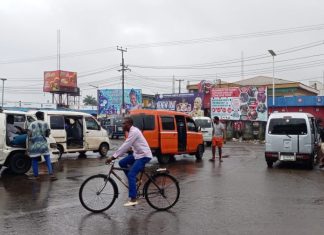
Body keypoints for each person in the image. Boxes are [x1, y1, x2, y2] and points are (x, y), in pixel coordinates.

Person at [105, 116, 152, 206]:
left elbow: (125, 146)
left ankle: (133, 199)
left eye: (124, 123)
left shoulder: (134, 132)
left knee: (131, 174)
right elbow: (128, 146)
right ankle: (136, 181)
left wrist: (113, 157)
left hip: (144, 156)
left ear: (129, 124)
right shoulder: (131, 131)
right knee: (122, 162)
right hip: (137, 154)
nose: (122, 125)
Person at [27, 111, 57, 180]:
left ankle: (36, 176)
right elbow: (48, 133)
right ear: (41, 116)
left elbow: (29, 134)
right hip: (43, 144)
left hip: (35, 145)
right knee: (47, 159)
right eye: (43, 115)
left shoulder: (32, 124)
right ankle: (51, 175)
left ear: (37, 116)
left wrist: (31, 141)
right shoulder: (46, 123)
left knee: (34, 160)